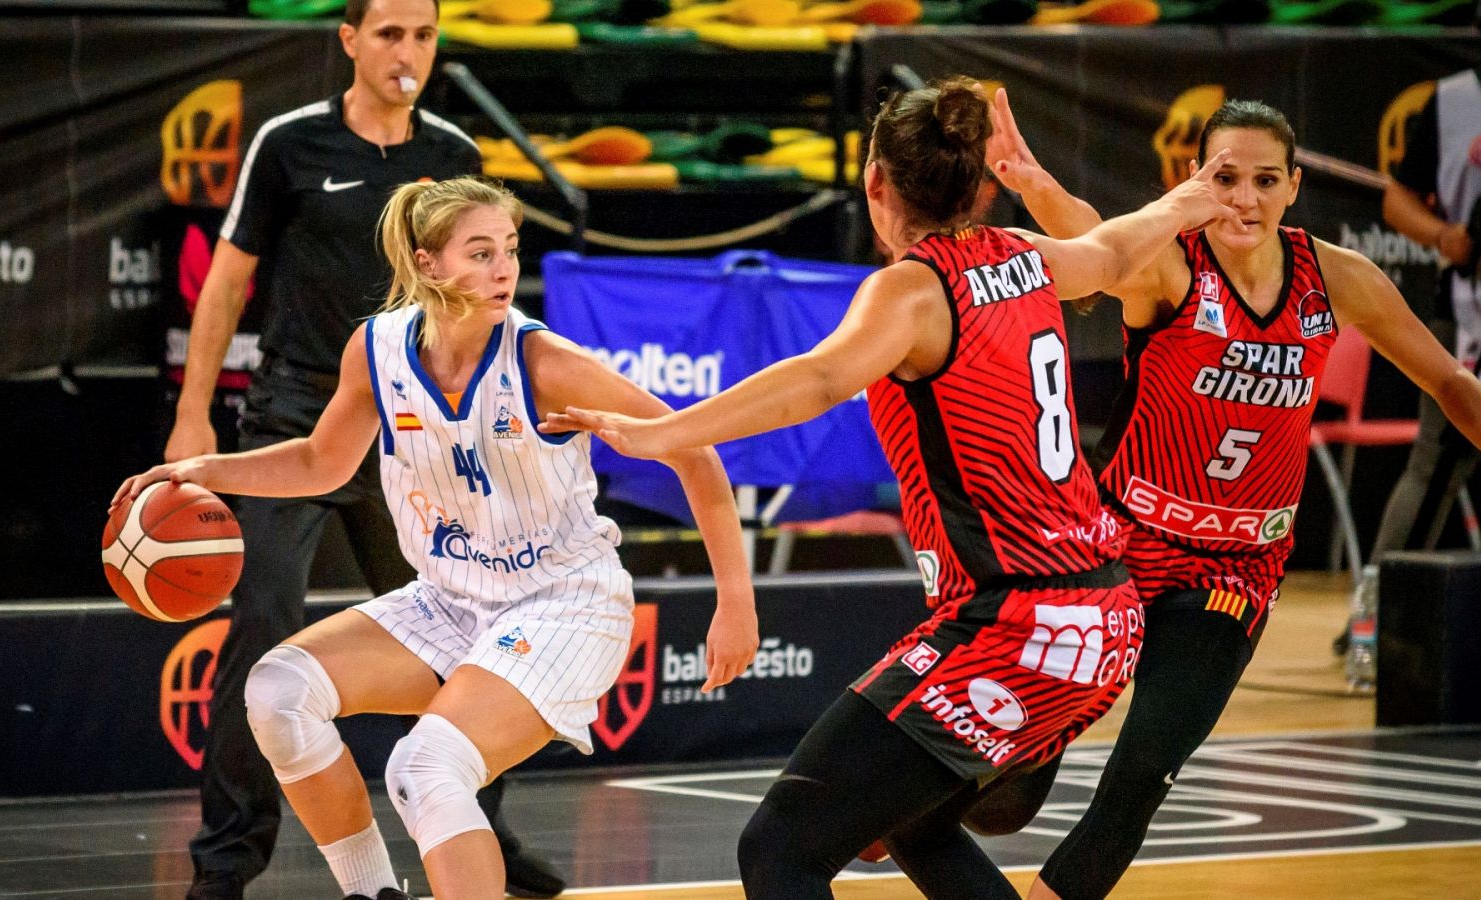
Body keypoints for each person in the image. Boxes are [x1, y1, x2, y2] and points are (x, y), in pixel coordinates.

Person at [542, 76, 1241, 898]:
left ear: (875, 183)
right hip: (1103, 615)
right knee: (904, 818)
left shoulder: (913, 288)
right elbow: (1116, 253)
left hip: (1018, 622)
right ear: (980, 184)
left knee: (779, 850)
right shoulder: (1023, 256)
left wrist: (663, 433)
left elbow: (817, 380)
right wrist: (1184, 202)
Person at [118, 177, 760, 899]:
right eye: (480, 253)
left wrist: (735, 602)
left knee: (425, 768)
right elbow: (320, 462)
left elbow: (693, 451)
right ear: (426, 264)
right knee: (277, 690)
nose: (504, 270)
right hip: (451, 598)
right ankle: (370, 893)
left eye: (510, 251)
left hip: (564, 604)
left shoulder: (544, 364)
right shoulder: (378, 349)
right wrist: (204, 468)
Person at [983, 91, 1481, 900]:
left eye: (1263, 180)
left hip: (1235, 574)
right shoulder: (1173, 263)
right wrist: (1032, 183)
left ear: (1292, 187)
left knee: (1142, 772)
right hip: (1120, 554)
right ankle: (902, 807)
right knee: (1004, 800)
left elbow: (1448, 380)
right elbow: (1093, 240)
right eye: (1225, 178)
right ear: (1195, 179)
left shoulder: (1339, 278)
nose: (1243, 199)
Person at [160, 1, 562, 896]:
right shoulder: (289, 142)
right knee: (262, 634)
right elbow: (226, 286)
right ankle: (226, 862)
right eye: (389, 34)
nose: (407, 53)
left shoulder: (453, 152)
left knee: (470, 621)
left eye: (422, 35)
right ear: (349, 41)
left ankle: (483, 829)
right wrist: (194, 418)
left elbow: (477, 307)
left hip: (416, 428)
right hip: (300, 416)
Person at [1363, 48, 1481, 596]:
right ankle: (1380, 611)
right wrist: (1443, 236)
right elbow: (1397, 200)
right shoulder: (1454, 99)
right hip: (1467, 308)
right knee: (1433, 464)